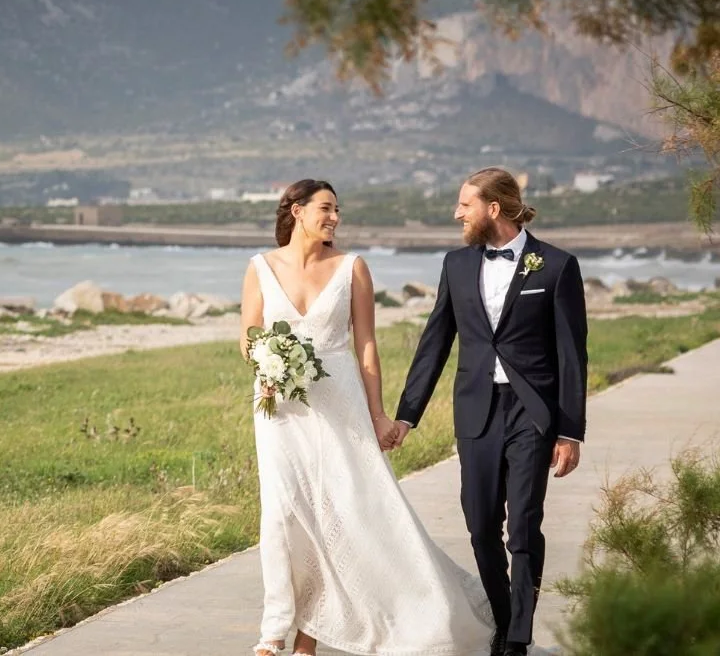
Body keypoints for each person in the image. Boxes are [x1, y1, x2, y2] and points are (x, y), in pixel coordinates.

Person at [246, 178, 492, 656]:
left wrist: (380, 415)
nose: (334, 217)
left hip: (341, 405)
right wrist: (266, 363)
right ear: (296, 211)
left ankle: (311, 635)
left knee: (344, 514)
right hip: (280, 409)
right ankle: (274, 631)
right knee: (280, 515)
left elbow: (366, 347)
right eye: (325, 208)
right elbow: (248, 336)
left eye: (338, 209)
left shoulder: (352, 268)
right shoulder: (259, 267)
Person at [394, 168, 589, 656]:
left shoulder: (556, 266)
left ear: (493, 209)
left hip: (533, 414)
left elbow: (572, 355)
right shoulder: (456, 265)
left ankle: (517, 637)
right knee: (481, 525)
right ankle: (503, 621)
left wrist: (570, 431)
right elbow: (435, 341)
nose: (457, 213)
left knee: (522, 523)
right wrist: (406, 415)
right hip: (477, 412)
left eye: (465, 204)